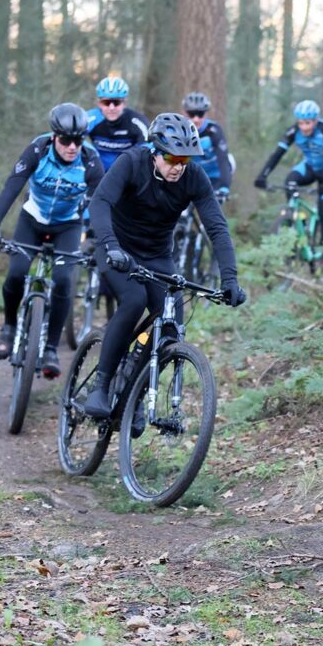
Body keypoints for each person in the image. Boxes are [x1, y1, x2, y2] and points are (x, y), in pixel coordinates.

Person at [82, 113, 246, 418]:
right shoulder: (131, 162)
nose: (178, 166)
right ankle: (101, 386)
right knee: (134, 300)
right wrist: (110, 245)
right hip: (117, 248)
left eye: (185, 159)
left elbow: (217, 228)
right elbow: (100, 202)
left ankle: (135, 394)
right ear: (155, 152)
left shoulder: (194, 177)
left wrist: (230, 279)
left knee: (171, 326)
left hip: (158, 256)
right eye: (171, 158)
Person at [0, 103, 104, 379]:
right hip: (31, 221)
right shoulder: (38, 149)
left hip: (68, 226)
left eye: (78, 140)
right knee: (16, 273)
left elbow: (100, 205)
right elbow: (12, 187)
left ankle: (49, 348)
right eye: (66, 140)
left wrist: (100, 242)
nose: (72, 146)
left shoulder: (91, 161)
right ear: (54, 137)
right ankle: (9, 327)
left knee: (63, 279)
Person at [254, 100, 323, 245]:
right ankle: (297, 221)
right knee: (290, 182)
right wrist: (263, 175)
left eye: (308, 123)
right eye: (300, 123)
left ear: (315, 120)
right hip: (310, 166)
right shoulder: (294, 131)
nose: (304, 127)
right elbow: (277, 154)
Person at [86, 76, 151, 171]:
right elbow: (74, 139)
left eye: (116, 102)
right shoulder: (90, 118)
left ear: (124, 103)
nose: (111, 108)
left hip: (126, 171)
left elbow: (148, 146)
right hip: (98, 171)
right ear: (99, 104)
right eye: (106, 102)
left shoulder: (137, 121)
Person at [181, 91, 233, 201]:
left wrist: (224, 187)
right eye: (191, 114)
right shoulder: (179, 130)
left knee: (210, 212)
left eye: (200, 114)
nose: (196, 119)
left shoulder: (214, 131)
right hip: (191, 176)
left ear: (206, 113)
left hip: (214, 176)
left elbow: (223, 159)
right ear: (185, 113)